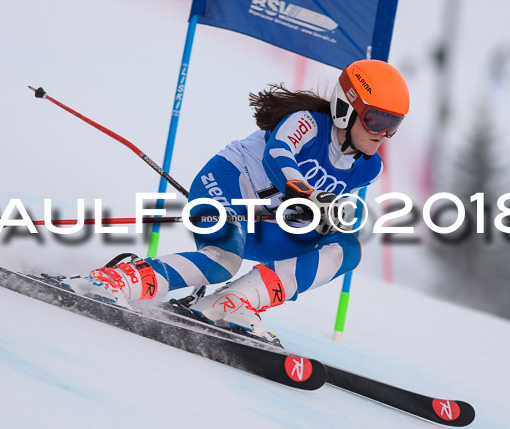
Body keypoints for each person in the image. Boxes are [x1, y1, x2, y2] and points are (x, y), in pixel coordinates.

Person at [63, 59, 410, 343]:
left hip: (264, 224)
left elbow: (310, 215)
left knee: (345, 248)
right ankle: (113, 280)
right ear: (345, 109)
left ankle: (229, 303)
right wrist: (306, 195)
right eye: (376, 119)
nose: (383, 133)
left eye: (393, 125)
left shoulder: (369, 168)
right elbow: (278, 155)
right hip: (225, 185)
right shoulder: (306, 124)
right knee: (222, 260)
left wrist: (325, 217)